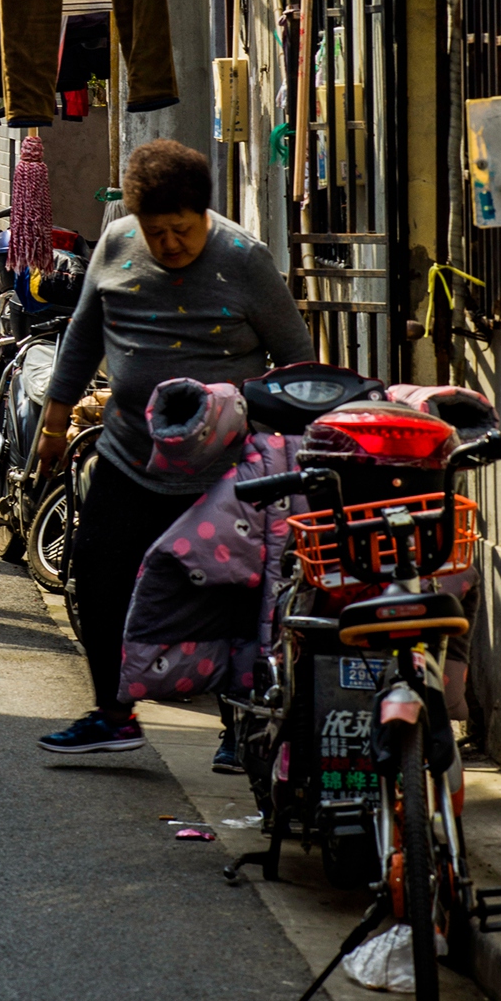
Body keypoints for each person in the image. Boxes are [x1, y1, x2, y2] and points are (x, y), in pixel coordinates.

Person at [34, 138, 312, 761]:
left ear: (203, 215)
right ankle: (113, 712)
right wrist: (53, 426)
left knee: (234, 598)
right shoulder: (116, 244)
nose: (169, 246)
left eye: (182, 231)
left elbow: (296, 358)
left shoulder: (244, 259)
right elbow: (81, 337)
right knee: (98, 579)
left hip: (222, 474)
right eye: (156, 233)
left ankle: (242, 727)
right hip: (130, 457)